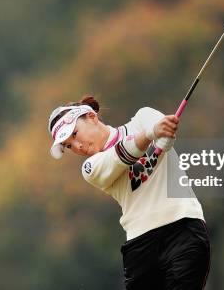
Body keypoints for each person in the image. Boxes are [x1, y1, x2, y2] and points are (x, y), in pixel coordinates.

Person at [48, 95, 210, 290]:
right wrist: (151, 134)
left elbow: (163, 135)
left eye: (74, 134)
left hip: (184, 230)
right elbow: (122, 154)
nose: (77, 146)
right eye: (68, 146)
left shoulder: (143, 117)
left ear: (91, 116)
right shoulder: (90, 168)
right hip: (141, 249)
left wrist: (162, 136)